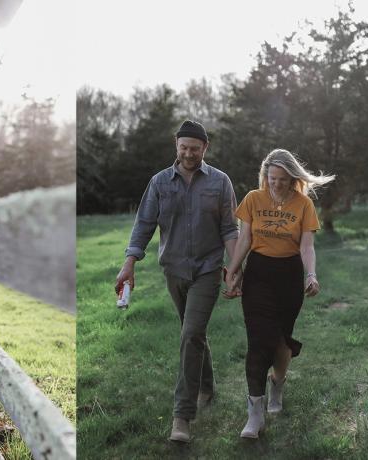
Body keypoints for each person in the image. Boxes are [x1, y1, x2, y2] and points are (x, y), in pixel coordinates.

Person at [115, 120, 239, 444]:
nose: (188, 154)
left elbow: (229, 228)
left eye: (194, 149)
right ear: (176, 146)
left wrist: (237, 267)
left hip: (209, 269)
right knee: (192, 333)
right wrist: (129, 264)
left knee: (192, 333)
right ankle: (208, 388)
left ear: (205, 149)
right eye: (183, 148)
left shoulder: (220, 182)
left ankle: (182, 416)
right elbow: (143, 225)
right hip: (174, 270)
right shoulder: (159, 183)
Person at [224, 149, 335, 439]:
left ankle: (278, 383)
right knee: (258, 340)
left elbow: (307, 246)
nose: (275, 184)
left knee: (280, 342)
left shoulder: (303, 204)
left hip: (288, 277)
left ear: (293, 179)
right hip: (258, 275)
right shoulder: (253, 199)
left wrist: (311, 274)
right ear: (265, 176)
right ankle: (255, 414)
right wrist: (232, 272)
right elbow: (245, 238)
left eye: (283, 179)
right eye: (271, 178)